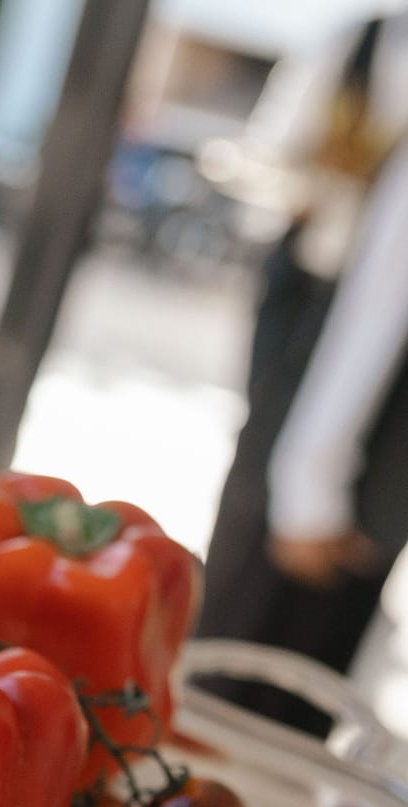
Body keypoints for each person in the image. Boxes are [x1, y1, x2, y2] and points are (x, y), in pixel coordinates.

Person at [198, 9, 408, 728]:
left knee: (282, 699)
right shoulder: (356, 45)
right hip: (320, 416)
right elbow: (375, 305)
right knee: (237, 685)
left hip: (352, 451)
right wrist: (312, 485)